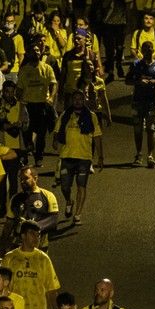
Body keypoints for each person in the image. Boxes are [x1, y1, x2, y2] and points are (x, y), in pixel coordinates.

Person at [0, 222, 60, 309]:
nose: (36, 238)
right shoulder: (9, 258)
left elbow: (51, 290)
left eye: (38, 235)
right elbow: (2, 288)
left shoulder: (43, 259)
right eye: (32, 234)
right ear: (22, 236)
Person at [54, 89, 103, 224]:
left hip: (84, 157)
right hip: (67, 155)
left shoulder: (91, 116)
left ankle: (78, 214)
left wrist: (100, 157)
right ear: (72, 100)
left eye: (80, 99)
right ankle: (69, 201)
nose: (77, 101)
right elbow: (57, 130)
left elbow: (97, 136)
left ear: (84, 100)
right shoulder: (65, 115)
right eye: (75, 99)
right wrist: (55, 140)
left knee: (81, 185)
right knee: (65, 186)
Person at [15, 41, 56, 168]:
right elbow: (19, 89)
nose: (37, 52)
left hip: (42, 105)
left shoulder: (47, 68)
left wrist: (52, 97)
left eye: (38, 50)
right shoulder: (24, 70)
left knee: (42, 134)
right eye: (34, 50)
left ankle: (39, 158)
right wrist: (20, 103)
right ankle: (26, 156)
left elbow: (53, 83)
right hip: (28, 106)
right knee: (27, 133)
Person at [128, 41, 155, 168]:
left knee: (151, 128)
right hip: (138, 100)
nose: (148, 51)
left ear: (153, 50)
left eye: (150, 49)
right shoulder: (136, 64)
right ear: (142, 51)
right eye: (146, 49)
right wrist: (139, 81)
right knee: (138, 129)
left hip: (152, 101)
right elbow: (128, 80)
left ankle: (150, 155)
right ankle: (139, 154)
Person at [6, 168, 60, 250]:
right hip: (18, 246)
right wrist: (3, 244)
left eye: (26, 178)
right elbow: (9, 223)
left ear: (35, 178)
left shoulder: (47, 195)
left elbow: (53, 220)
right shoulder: (15, 198)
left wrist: (31, 227)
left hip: (40, 246)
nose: (22, 181)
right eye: (21, 179)